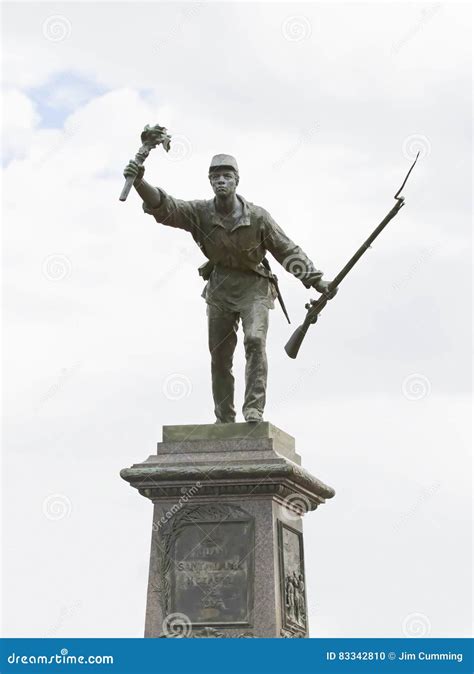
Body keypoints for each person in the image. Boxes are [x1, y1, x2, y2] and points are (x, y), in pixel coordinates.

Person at [123, 154, 336, 423]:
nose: (221, 181)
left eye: (227, 176)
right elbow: (167, 208)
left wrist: (316, 280)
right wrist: (140, 182)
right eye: (216, 177)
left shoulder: (258, 217)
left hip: (254, 287)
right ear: (210, 181)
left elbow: (286, 249)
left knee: (255, 341)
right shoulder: (200, 213)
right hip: (220, 289)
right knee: (220, 355)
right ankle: (224, 417)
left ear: (237, 181)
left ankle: (253, 408)